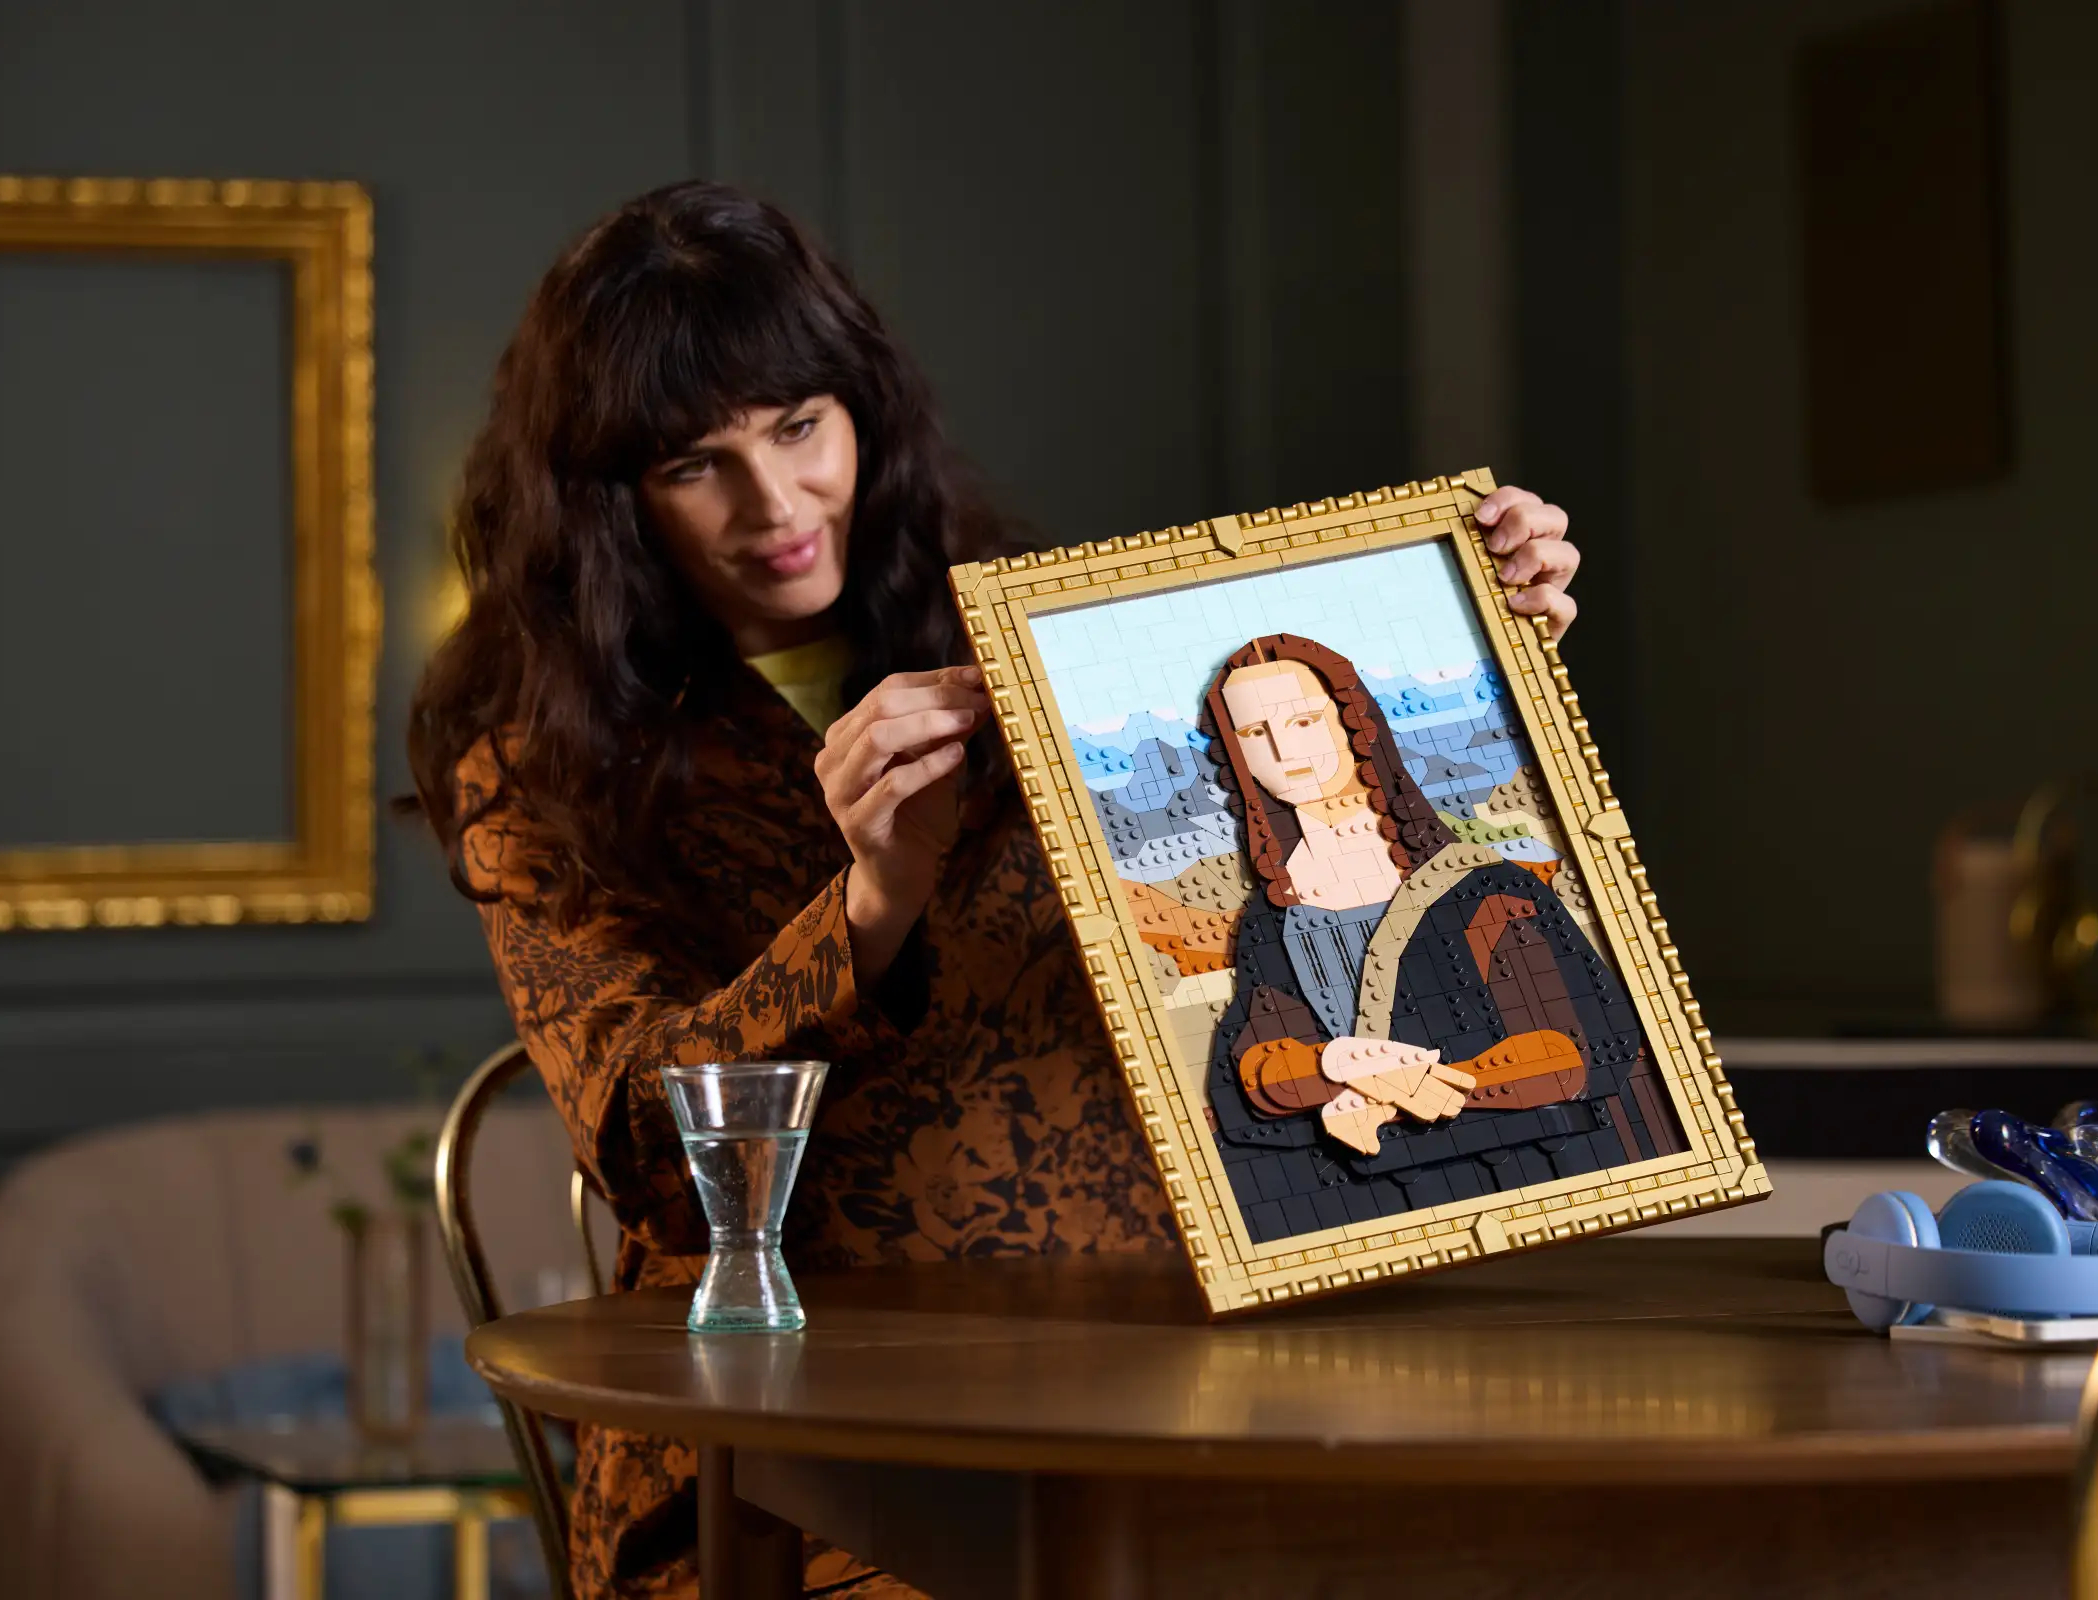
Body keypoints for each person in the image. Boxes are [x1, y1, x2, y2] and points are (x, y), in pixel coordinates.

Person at [403, 180, 1584, 1600]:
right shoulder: (538, 763)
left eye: (798, 427)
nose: (774, 504)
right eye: (693, 465)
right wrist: (867, 907)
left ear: (861, 412)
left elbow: (1302, 893)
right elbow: (647, 1153)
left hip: (1149, 1392)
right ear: (605, 498)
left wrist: (1473, 614)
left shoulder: (1047, 640)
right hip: (781, 1451)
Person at [1198, 636, 1684, 1235]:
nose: (1282, 750)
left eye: (1303, 720)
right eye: (1252, 736)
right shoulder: (1273, 917)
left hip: (1526, 1185)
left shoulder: (1484, 888)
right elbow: (1252, 1066)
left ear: (1355, 723)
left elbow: (1575, 1051)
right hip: (1354, 1216)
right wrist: (1338, 1064)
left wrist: (1420, 1087)